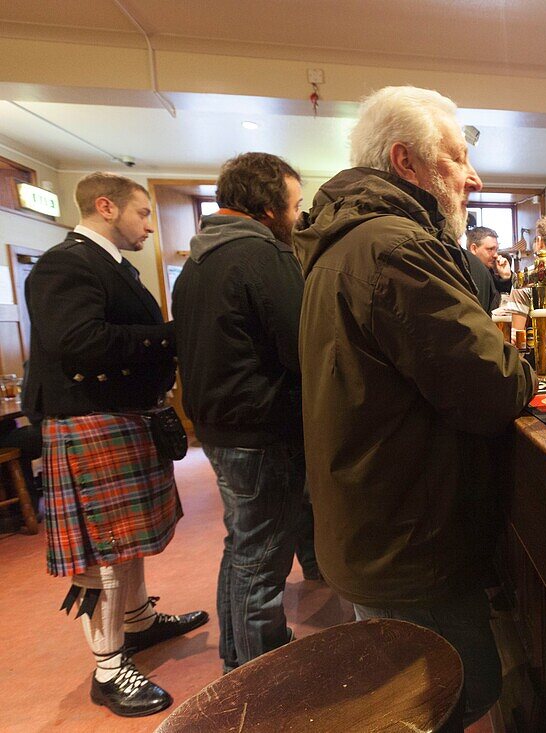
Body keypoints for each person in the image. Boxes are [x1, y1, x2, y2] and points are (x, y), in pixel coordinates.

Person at [295, 85, 535, 725]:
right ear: (407, 162)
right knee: (446, 701)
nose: (473, 176)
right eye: (456, 158)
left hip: (376, 521)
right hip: (410, 540)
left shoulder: (345, 239)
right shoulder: (395, 247)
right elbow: (494, 387)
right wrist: (530, 363)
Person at [23, 172, 207, 718]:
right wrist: (171, 337)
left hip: (119, 417)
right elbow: (78, 344)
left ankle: (138, 625)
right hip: (89, 420)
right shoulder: (67, 263)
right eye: (142, 214)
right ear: (106, 207)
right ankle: (108, 671)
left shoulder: (107, 265)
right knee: (103, 552)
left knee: (123, 543)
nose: (149, 226)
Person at [172, 153, 310, 673]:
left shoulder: (200, 258)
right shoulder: (262, 254)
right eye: (295, 206)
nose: (298, 217)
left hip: (217, 427)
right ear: (269, 206)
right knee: (262, 552)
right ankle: (258, 673)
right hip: (260, 427)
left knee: (243, 543)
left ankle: (240, 651)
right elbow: (300, 347)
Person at [468, 225, 512, 295]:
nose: (496, 255)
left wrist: (505, 277)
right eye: (490, 249)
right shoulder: (467, 275)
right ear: (474, 249)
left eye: (496, 249)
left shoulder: (489, 272)